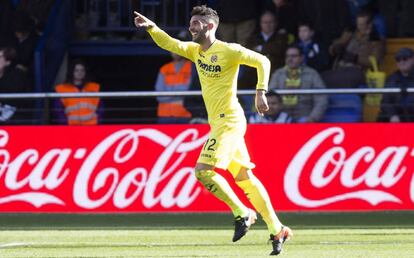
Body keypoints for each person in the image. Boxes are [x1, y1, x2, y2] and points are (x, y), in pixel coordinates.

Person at [134, 5, 292, 255]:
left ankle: (243, 213)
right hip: (220, 122)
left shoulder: (228, 50)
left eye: (195, 23)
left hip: (229, 121)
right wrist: (152, 27)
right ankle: (277, 228)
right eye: (190, 23)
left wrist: (260, 92)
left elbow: (263, 60)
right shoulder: (195, 50)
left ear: (210, 26)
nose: (190, 27)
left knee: (203, 172)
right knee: (244, 178)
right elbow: (170, 43)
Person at [269, 45, 328, 122]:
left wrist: (312, 118)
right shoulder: (278, 74)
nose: (290, 59)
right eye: (287, 56)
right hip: (281, 119)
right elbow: (268, 96)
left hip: (305, 118)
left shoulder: (312, 74)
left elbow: (322, 99)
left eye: (294, 56)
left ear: (302, 58)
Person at [54, 59, 101, 125]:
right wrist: (64, 123)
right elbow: (58, 110)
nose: (80, 72)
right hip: (71, 128)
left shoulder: (94, 88)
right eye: (76, 70)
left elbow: (101, 108)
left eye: (82, 70)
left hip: (92, 127)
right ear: (72, 72)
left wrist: (97, 121)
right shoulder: (62, 89)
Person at [155, 51, 193, 123]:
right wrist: (179, 95)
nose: (175, 52)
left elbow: (190, 91)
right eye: (172, 50)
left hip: (185, 114)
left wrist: (169, 92)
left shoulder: (192, 68)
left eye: (177, 49)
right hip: (165, 115)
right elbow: (159, 96)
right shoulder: (164, 69)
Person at [379, 48, 414, 122]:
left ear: (412, 59)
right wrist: (392, 115)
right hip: (398, 119)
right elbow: (385, 101)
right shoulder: (391, 78)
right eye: (398, 60)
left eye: (405, 59)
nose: (401, 62)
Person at [0, 46, 29, 124]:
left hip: (11, 120)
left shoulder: (16, 78)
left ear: (7, 62)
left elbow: (16, 102)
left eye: (0, 57)